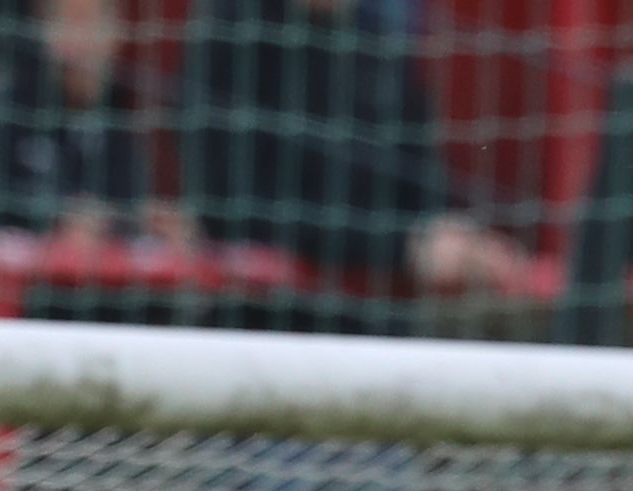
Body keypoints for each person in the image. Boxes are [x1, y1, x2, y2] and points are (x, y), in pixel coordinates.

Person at [172, 0, 527, 305]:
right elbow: (232, 210)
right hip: (263, 327)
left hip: (376, 325)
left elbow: (423, 180)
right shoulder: (234, 39)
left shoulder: (376, 43)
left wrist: (459, 235)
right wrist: (402, 248)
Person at [0, 0, 178, 247]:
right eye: (75, 20)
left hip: (73, 300)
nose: (88, 39)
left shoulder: (115, 125)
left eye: (100, 22)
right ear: (42, 28)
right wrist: (51, 217)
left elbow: (114, 211)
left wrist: (145, 224)